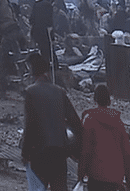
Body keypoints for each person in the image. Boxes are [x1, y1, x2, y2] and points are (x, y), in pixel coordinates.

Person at [21, 52, 83, 191]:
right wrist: (76, 150)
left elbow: (30, 126)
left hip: (39, 153)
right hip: (59, 152)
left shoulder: (30, 92)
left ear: (32, 73)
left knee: (39, 187)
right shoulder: (60, 92)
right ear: (47, 73)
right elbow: (76, 124)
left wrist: (25, 153)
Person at [78, 84, 130, 191]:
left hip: (96, 177)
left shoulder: (90, 120)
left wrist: (80, 173)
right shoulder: (118, 122)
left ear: (95, 99)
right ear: (109, 100)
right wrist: (129, 179)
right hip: (115, 178)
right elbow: (127, 153)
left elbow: (85, 150)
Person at [30, 0, 57, 73]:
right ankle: (49, 71)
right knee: (48, 53)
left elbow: (31, 20)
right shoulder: (49, 6)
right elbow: (50, 23)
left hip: (35, 32)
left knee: (40, 51)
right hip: (44, 33)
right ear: (51, 0)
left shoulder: (36, 4)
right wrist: (52, 38)